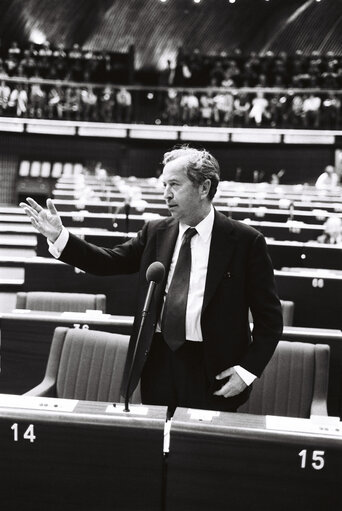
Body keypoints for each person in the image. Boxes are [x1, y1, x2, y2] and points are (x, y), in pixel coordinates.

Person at [20, 146, 283, 416]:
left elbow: (270, 320)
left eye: (175, 185)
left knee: (201, 451)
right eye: (164, 185)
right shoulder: (156, 232)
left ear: (204, 187)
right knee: (156, 445)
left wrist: (247, 371)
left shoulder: (246, 242)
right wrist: (59, 236)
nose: (166, 194)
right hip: (158, 360)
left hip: (213, 370)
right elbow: (108, 261)